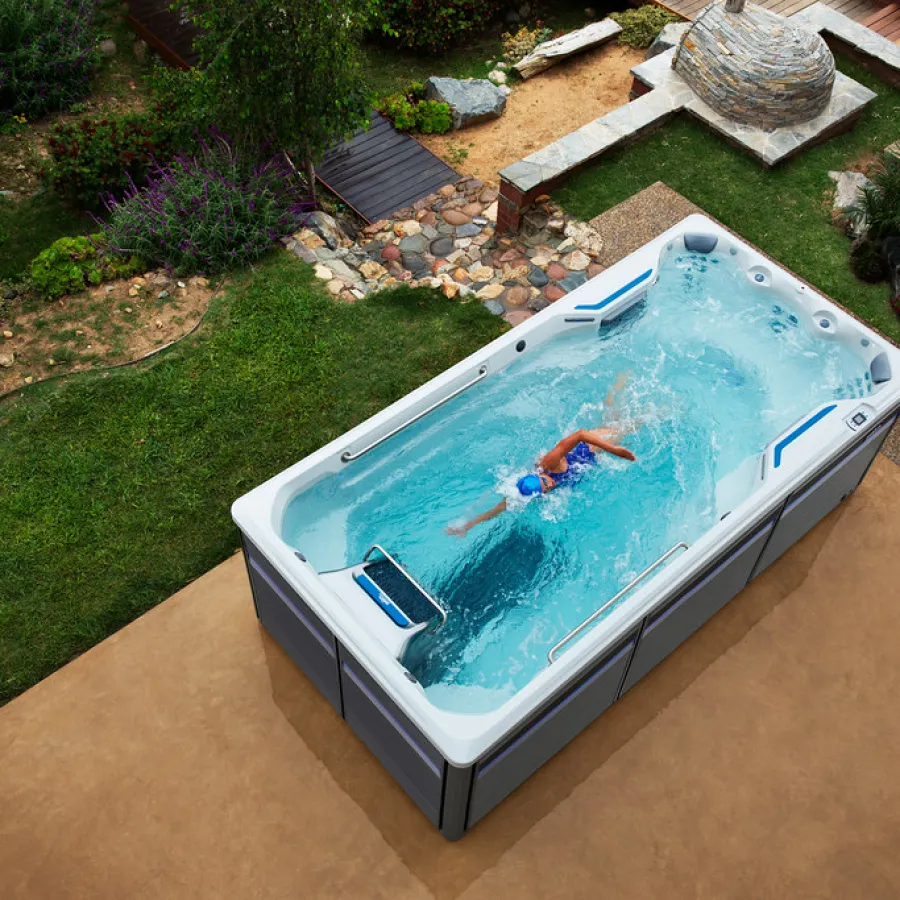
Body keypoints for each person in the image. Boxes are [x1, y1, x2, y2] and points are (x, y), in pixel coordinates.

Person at [447, 374, 637, 536]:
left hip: (588, 447)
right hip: (590, 460)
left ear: (540, 475)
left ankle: (626, 386)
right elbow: (497, 509)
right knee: (617, 420)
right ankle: (617, 390)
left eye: (546, 482)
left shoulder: (549, 463)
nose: (551, 484)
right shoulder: (528, 492)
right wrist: (468, 527)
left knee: (629, 426)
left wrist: (615, 451)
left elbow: (580, 434)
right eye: (547, 488)